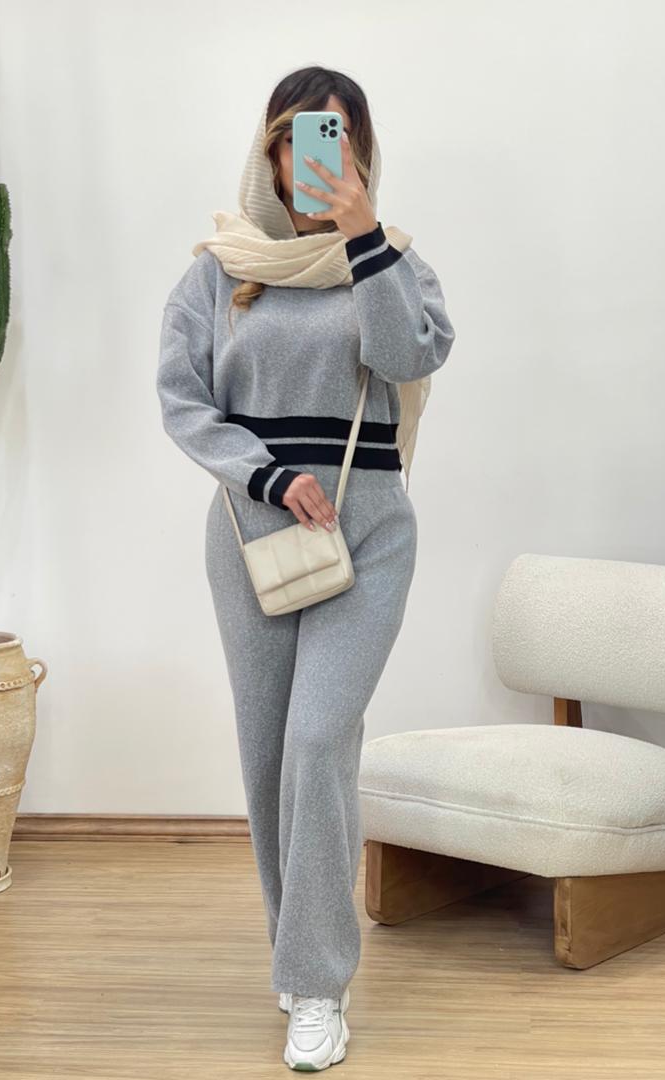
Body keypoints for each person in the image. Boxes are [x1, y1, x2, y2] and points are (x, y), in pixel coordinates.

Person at [156, 65, 455, 1072]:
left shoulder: (394, 259)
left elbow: (408, 359)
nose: (315, 158)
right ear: (271, 151)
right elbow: (183, 402)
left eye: (337, 138)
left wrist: (364, 239)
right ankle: (298, 961)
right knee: (268, 754)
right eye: (298, 138)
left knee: (320, 741)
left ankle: (319, 986)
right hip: (252, 533)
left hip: (369, 534)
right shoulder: (216, 271)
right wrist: (272, 475)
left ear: (360, 152)